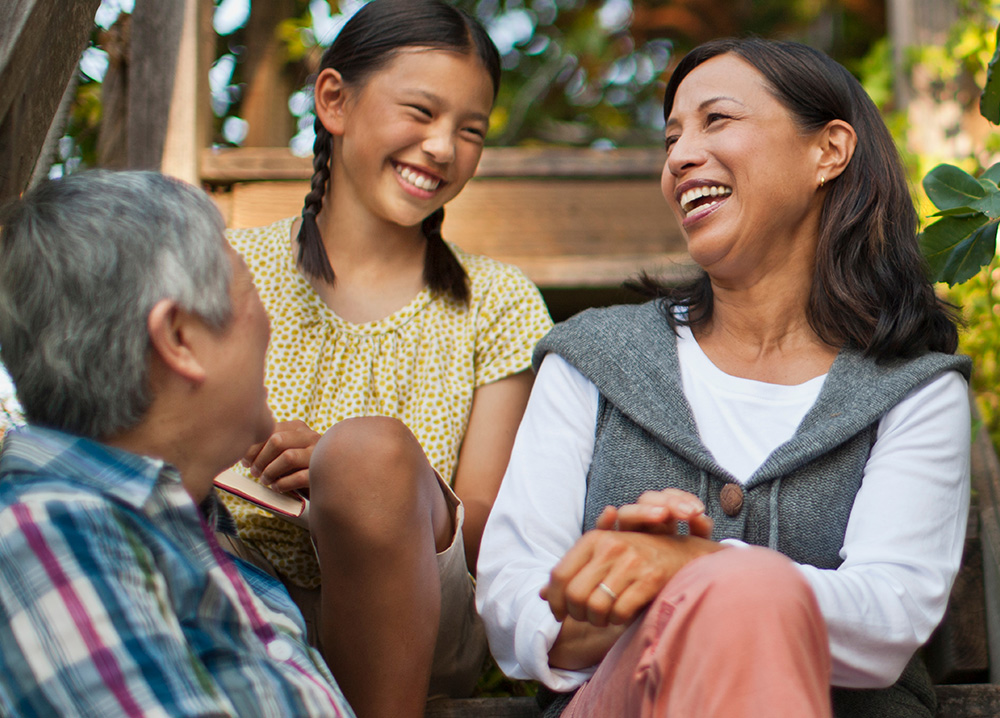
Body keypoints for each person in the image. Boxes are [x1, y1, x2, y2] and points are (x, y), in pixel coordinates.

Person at [477, 37, 971, 718]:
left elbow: (891, 616)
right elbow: (511, 597)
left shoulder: (916, 388)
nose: (679, 155)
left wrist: (701, 570)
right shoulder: (591, 357)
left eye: (718, 120)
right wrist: (611, 605)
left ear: (827, 151)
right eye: (672, 135)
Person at [217, 1, 552, 716]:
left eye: (470, 131)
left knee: (369, 453)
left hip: (420, 611)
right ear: (334, 100)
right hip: (238, 581)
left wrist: (370, 484)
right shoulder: (227, 267)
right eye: (420, 112)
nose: (442, 147)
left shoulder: (499, 301)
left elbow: (487, 521)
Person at [0, 171, 355, 717]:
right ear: (180, 338)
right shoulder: (44, 534)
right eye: (250, 290)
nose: (268, 326)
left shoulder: (181, 535)